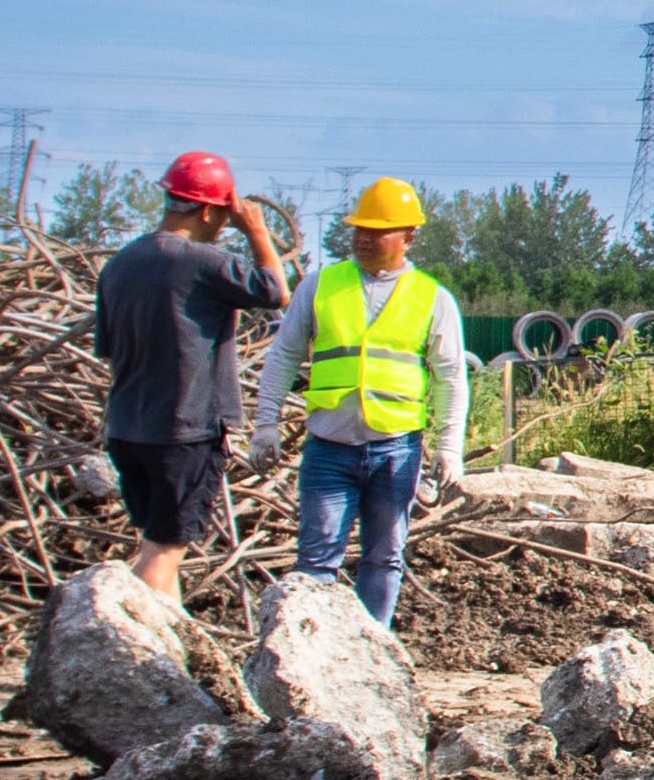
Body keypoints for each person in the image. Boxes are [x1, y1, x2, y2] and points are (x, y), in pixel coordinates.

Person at [249, 176, 467, 626]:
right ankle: (315, 656)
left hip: (396, 447)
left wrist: (449, 447)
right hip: (329, 446)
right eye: (359, 229)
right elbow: (284, 355)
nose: (364, 238)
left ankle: (374, 650)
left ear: (408, 236)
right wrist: (265, 423)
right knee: (316, 560)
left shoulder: (433, 298)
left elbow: (450, 378)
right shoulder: (321, 285)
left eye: (377, 230)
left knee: (385, 557)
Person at [91, 151, 291, 608]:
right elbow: (275, 292)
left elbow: (108, 351)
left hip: (127, 430)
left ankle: (169, 656)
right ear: (207, 210)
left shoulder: (119, 265)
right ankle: (124, 646)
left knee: (156, 541)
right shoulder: (204, 261)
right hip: (183, 433)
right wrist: (256, 229)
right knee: (166, 550)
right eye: (223, 214)